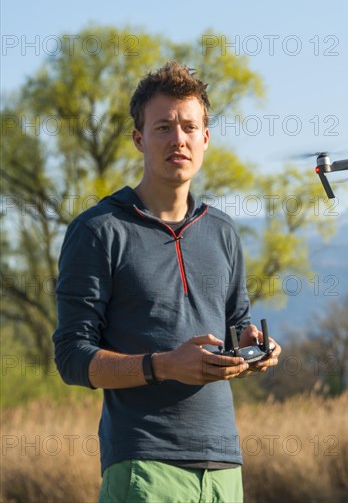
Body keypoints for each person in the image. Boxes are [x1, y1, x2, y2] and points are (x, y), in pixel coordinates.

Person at [53, 61, 281, 502]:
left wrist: (256, 346)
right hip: (144, 465)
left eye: (189, 127)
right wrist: (163, 366)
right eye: (163, 127)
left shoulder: (222, 231)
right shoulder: (99, 230)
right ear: (139, 138)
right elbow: (71, 356)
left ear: (205, 139)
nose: (178, 139)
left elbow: (238, 323)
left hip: (224, 466)